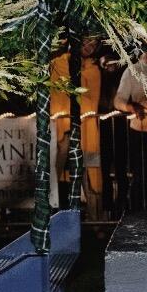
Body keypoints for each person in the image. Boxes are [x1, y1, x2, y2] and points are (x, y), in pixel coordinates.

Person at [50, 35, 104, 221]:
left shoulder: (93, 70)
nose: (90, 45)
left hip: (87, 130)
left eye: (94, 43)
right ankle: (58, 217)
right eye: (87, 40)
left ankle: (95, 217)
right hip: (63, 128)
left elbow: (91, 102)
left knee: (90, 170)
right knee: (61, 171)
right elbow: (56, 95)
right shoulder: (57, 64)